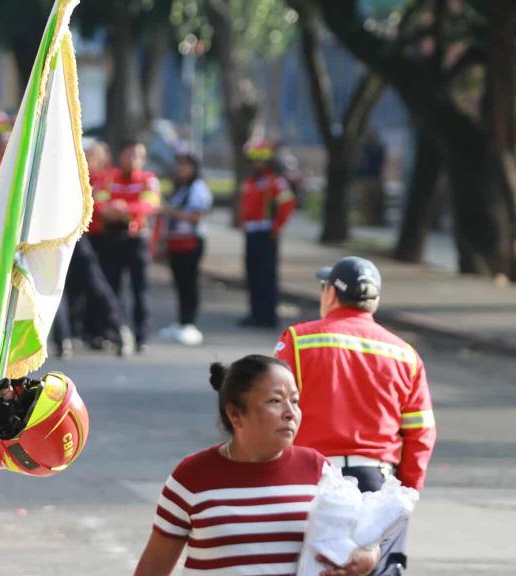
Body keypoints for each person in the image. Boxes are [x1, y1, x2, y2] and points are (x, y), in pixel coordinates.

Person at [134, 354, 379, 576]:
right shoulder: (191, 477)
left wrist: (367, 558)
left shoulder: (318, 469)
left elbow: (366, 535)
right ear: (235, 414)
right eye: (275, 401)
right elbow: (154, 566)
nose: (290, 412)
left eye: (294, 401)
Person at [275, 257, 436, 575]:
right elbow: (421, 431)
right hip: (378, 482)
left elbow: (271, 413)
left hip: (311, 480)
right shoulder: (405, 354)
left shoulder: (298, 340)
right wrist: (406, 492)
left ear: (332, 293)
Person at [91, 140, 160, 352]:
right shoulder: (110, 178)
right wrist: (111, 209)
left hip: (136, 237)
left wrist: (124, 208)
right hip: (113, 237)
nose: (133, 159)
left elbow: (150, 203)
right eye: (129, 154)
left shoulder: (149, 180)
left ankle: (142, 336)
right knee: (112, 287)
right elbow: (99, 200)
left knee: (140, 289)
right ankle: (112, 332)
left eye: (138, 156)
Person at [157, 149, 212, 347]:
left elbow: (197, 216)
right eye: (179, 165)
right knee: (179, 283)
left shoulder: (198, 188)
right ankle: (181, 321)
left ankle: (190, 322)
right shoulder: (180, 188)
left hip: (191, 241)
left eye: (185, 165)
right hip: (176, 242)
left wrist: (170, 212)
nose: (181, 169)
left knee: (189, 283)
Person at [238, 138, 294, 328]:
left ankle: (267, 315)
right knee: (252, 274)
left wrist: (276, 226)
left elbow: (287, 204)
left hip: (266, 233)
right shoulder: (251, 182)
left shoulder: (275, 182)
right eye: (255, 160)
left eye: (260, 160)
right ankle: (255, 313)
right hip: (251, 233)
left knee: (266, 275)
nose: (257, 164)